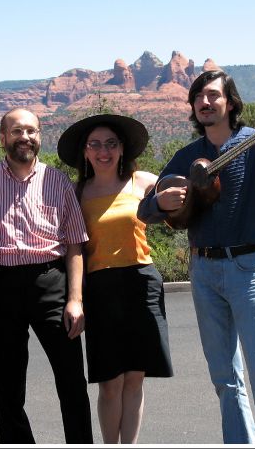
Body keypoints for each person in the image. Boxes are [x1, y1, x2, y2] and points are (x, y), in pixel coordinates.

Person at [138, 70, 255, 444]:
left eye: (213, 95)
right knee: (224, 378)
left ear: (230, 102)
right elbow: (145, 211)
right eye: (198, 96)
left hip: (248, 268)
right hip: (202, 269)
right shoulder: (188, 156)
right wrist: (159, 202)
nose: (205, 101)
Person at [0, 108, 93, 444]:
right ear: (3, 138)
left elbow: (75, 244)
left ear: (39, 136)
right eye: (16, 131)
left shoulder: (57, 181)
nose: (25, 138)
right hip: (0, 285)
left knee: (72, 381)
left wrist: (75, 300)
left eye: (31, 131)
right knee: (7, 385)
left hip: (51, 283)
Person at [57, 114, 173, 444]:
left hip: (141, 283)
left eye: (111, 144)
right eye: (95, 144)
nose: (103, 151)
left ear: (122, 149)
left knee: (135, 377)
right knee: (110, 382)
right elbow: (73, 247)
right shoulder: (76, 193)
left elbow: (181, 207)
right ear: (85, 152)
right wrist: (75, 297)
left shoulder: (144, 182)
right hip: (100, 288)